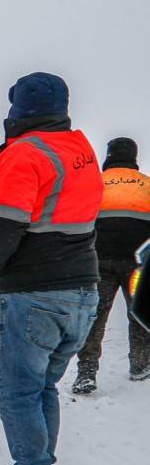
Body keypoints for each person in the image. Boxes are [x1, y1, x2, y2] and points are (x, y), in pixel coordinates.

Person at [0, 72, 103, 465]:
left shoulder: (23, 155)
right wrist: (4, 161)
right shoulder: (79, 150)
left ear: (18, 110)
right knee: (42, 388)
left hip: (32, 294)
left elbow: (5, 226)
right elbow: (52, 192)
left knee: (16, 390)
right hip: (81, 291)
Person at [72, 138, 150, 393]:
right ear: (134, 157)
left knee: (95, 317)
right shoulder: (147, 185)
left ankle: (86, 373)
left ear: (109, 155)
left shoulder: (94, 184)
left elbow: (77, 222)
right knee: (139, 314)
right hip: (138, 264)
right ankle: (141, 366)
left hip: (98, 262)